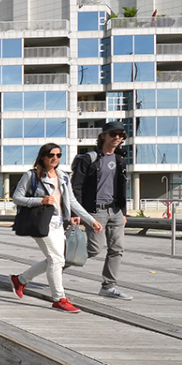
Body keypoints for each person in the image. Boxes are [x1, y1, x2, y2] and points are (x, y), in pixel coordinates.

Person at [9, 143, 102, 313]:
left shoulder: (63, 176)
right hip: (41, 222)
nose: (55, 158)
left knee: (57, 259)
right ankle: (59, 299)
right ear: (43, 156)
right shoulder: (31, 175)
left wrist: (90, 220)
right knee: (56, 260)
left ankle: (20, 280)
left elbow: (72, 201)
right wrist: (40, 201)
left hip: (59, 222)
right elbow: (17, 198)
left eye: (59, 155)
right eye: (51, 155)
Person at [71, 121, 131, 300]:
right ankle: (57, 265)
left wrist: (124, 212)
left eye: (120, 135)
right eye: (113, 134)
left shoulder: (120, 159)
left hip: (116, 211)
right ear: (103, 135)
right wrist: (76, 214)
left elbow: (122, 186)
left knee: (117, 249)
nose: (117, 137)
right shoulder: (89, 159)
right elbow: (76, 188)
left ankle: (108, 286)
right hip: (95, 211)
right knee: (94, 249)